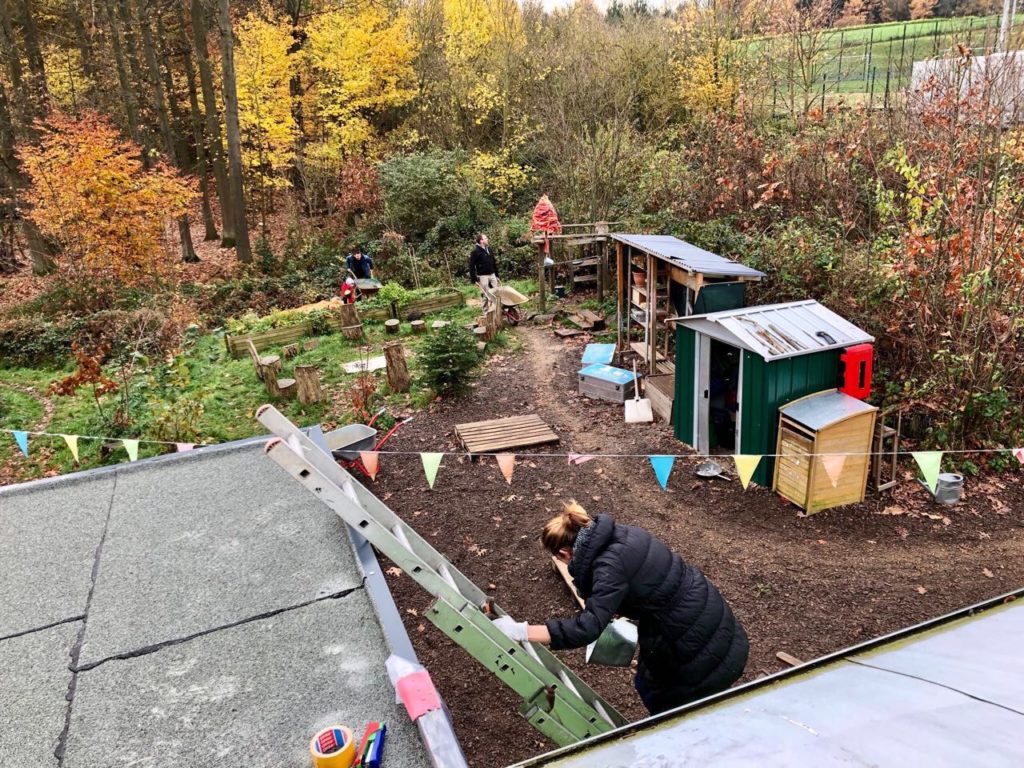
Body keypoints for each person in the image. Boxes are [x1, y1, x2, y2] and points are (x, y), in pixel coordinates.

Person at [491, 501, 749, 715]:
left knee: (663, 700)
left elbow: (588, 627)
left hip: (691, 641)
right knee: (653, 684)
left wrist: (522, 631)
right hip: (711, 618)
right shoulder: (621, 534)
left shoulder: (607, 568)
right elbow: (648, 579)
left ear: (564, 553)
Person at [468, 233, 498, 313]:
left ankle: (498, 309)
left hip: (492, 274)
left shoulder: (489, 249)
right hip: (483, 276)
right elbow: (471, 266)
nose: (487, 239)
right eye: (486, 238)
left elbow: (493, 262)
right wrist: (473, 279)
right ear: (481, 241)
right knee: (485, 294)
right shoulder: (475, 251)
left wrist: (497, 274)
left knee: (496, 292)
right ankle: (486, 311)